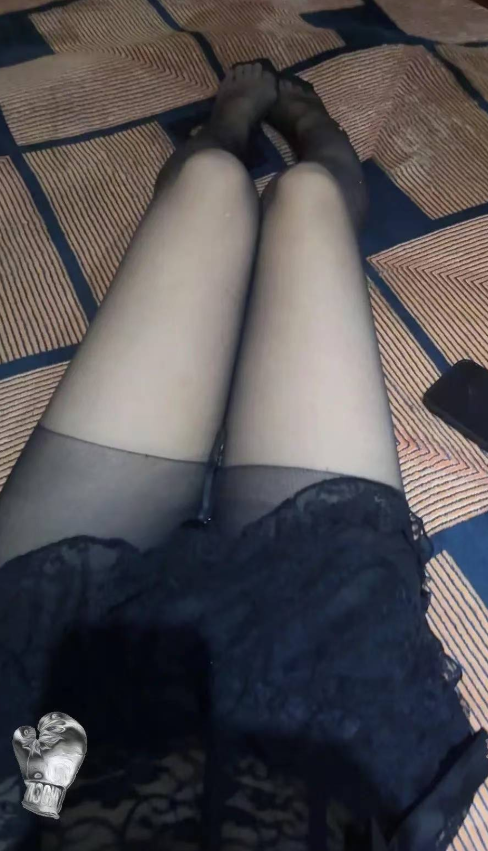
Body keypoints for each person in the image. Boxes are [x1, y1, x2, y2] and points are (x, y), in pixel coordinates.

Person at [0, 62, 485, 851]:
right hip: (308, 687)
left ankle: (224, 132)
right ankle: (308, 158)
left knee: (211, 188)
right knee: (309, 199)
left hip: (48, 677)